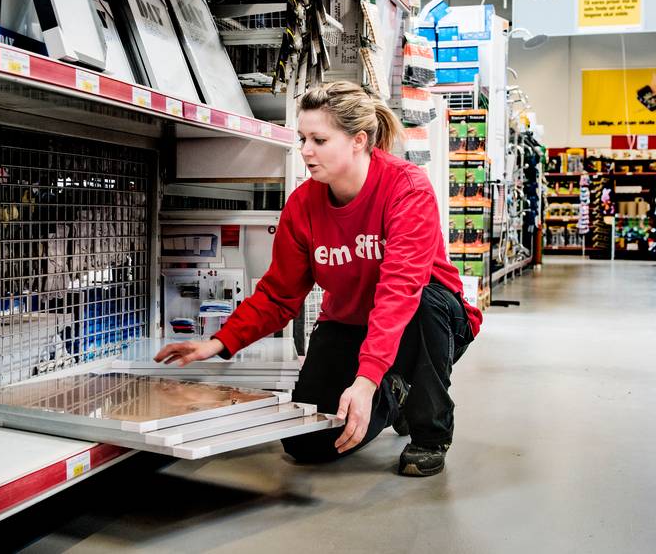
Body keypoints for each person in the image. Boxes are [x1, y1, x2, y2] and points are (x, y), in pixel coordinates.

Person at [154, 81, 482, 477]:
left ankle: (429, 433)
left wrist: (364, 381)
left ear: (358, 141)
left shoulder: (406, 188)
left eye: (319, 140)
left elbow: (400, 290)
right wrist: (219, 342)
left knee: (425, 303)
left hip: (423, 320)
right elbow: (279, 295)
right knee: (306, 443)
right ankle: (394, 393)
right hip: (348, 322)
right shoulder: (304, 204)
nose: (305, 150)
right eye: (303, 138)